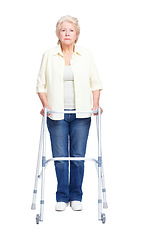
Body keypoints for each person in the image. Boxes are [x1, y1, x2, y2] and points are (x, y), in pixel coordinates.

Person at [36, 15, 103, 211]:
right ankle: (62, 196)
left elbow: (96, 83)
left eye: (71, 30)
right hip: (56, 114)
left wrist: (96, 105)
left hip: (81, 114)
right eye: (63, 30)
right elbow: (41, 85)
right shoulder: (49, 55)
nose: (67, 33)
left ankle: (76, 196)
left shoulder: (86, 54)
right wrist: (46, 105)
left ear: (76, 34)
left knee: (78, 156)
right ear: (58, 33)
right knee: (60, 157)